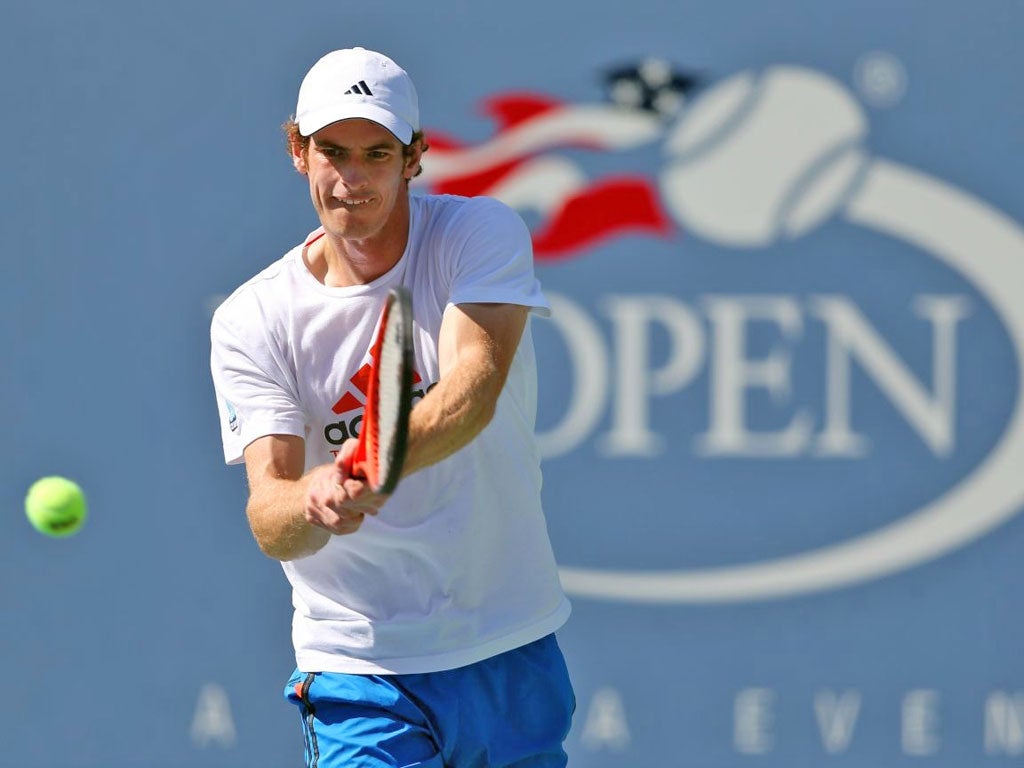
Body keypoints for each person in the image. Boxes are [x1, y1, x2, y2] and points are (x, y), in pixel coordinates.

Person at [209, 46, 574, 767]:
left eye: (376, 154)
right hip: (357, 666)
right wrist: (309, 501)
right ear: (297, 151)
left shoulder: (478, 234)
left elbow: (472, 393)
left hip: (507, 640)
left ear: (415, 158)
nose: (350, 179)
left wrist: (371, 463)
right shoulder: (253, 318)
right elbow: (269, 518)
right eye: (332, 152)